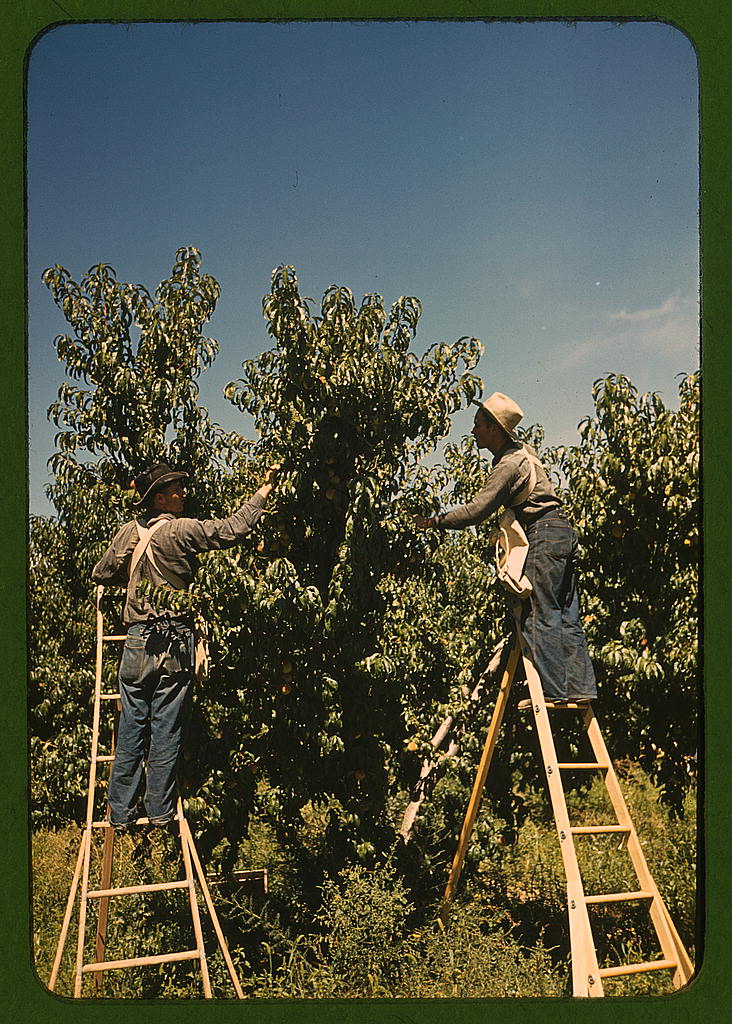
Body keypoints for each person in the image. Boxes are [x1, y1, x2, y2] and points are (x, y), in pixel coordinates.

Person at [92, 461, 279, 832]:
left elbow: (101, 572)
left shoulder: (129, 532)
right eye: (175, 489)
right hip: (174, 637)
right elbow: (231, 530)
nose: (182, 494)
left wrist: (135, 580)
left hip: (137, 638)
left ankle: (120, 814)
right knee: (167, 728)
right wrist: (264, 491)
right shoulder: (182, 530)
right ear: (159, 498)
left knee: (131, 726)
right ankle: (160, 813)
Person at [414, 392, 596, 704]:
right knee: (566, 613)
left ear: (495, 429)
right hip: (563, 531)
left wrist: (434, 522)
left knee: (539, 613)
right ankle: (581, 688)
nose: (473, 431)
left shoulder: (510, 465)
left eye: (478, 425)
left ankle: (553, 692)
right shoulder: (525, 453)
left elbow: (477, 510)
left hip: (543, 532)